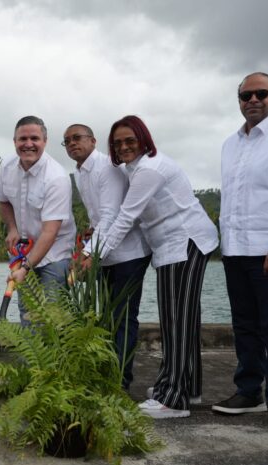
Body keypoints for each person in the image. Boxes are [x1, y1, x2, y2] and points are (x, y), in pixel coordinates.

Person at [89, 115, 218, 419]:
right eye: (118, 143)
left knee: (176, 322)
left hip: (183, 243)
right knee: (183, 319)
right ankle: (188, 388)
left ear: (144, 139)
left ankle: (172, 399)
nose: (123, 147)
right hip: (170, 247)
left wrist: (94, 256)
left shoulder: (149, 169)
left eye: (130, 141)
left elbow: (125, 218)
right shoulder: (135, 169)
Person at [212, 72, 268, 429]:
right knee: (244, 325)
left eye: (260, 94)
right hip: (235, 249)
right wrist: (225, 244)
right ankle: (249, 391)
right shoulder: (230, 144)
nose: (252, 100)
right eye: (245, 95)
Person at [64, 123, 152, 390]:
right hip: (105, 253)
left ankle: (120, 381)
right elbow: (101, 215)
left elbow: (113, 215)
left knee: (123, 318)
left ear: (92, 140)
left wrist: (87, 254)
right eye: (66, 141)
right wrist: (91, 234)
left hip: (128, 253)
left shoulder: (107, 168)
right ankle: (108, 374)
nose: (72, 144)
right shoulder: (80, 173)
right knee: (106, 318)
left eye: (77, 138)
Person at [0, 116, 76, 323]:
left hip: (55, 255)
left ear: (45, 142)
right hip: (25, 252)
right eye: (22, 139)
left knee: (52, 318)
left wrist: (24, 269)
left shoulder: (56, 177)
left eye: (35, 138)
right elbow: (3, 200)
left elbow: (50, 232)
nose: (28, 144)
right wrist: (12, 228)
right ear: (14, 141)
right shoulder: (6, 166)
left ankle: (56, 356)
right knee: (28, 314)